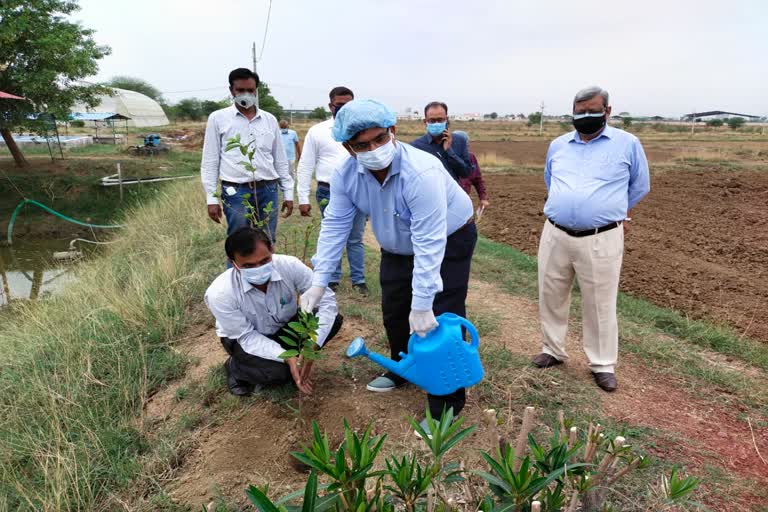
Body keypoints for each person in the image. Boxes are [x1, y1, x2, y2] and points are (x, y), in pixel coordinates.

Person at [299, 99, 477, 436]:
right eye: (362, 145)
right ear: (348, 147)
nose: (374, 149)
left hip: (449, 237)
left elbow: (429, 242)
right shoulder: (346, 175)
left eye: (380, 139)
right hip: (396, 245)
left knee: (440, 317)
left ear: (393, 133)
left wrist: (424, 303)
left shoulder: (420, 172)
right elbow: (335, 225)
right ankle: (403, 368)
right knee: (395, 308)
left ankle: (448, 401)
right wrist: (319, 282)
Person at [533, 86, 650, 392]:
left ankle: (602, 363)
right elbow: (550, 180)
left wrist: (612, 212)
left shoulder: (627, 144)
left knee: (599, 302)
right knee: (550, 292)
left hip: (601, 237)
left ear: (607, 111)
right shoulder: (558, 145)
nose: (585, 116)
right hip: (555, 232)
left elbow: (640, 186)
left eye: (592, 110)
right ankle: (552, 349)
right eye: (580, 111)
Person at [205, 227, 343, 396]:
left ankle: (286, 355)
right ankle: (236, 368)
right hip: (244, 338)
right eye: (248, 265)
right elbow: (246, 336)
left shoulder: (289, 266)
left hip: (283, 324)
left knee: (332, 320)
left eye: (264, 261)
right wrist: (287, 357)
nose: (258, 268)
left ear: (272, 249)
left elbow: (326, 301)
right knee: (279, 374)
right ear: (232, 262)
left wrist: (313, 344)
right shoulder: (220, 293)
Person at [201, 68, 294, 242]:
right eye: (240, 90)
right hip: (236, 191)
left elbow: (280, 160)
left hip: (268, 189)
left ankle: (264, 270)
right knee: (239, 243)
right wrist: (211, 198)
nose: (246, 94)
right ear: (231, 90)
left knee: (266, 240)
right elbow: (210, 161)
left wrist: (288, 193)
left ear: (256, 90)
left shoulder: (269, 120)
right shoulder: (218, 118)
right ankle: (237, 270)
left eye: (250, 90)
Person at [297, 86, 368, 295]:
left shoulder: (363, 130)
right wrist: (302, 197)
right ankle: (333, 278)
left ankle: (359, 280)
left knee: (355, 237)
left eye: (349, 105)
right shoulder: (318, 131)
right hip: (328, 190)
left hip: (359, 190)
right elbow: (306, 164)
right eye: (340, 105)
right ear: (331, 106)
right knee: (333, 235)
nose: (344, 109)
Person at [411, 101, 473, 180]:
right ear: (425, 122)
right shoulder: (416, 146)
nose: (436, 123)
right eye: (432, 121)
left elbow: (466, 173)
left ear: (446, 119)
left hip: (453, 192)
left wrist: (449, 151)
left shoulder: (460, 141)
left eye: (440, 120)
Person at [459, 152, 490, 218]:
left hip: (464, 202)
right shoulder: (443, 156)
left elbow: (477, 180)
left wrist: (482, 198)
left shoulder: (470, 157)